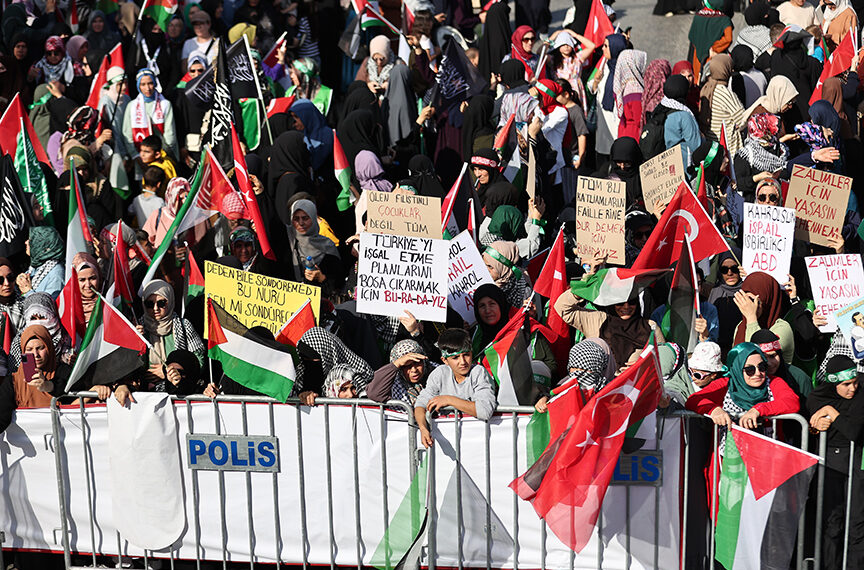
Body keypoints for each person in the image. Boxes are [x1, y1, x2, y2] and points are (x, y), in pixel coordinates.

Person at [808, 355, 864, 568]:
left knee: (857, 521)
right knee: (832, 520)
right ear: (833, 383)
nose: (852, 388)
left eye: (855, 382)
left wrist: (831, 412)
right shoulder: (818, 397)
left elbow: (853, 430)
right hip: (832, 459)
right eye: (846, 385)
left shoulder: (860, 393)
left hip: (856, 458)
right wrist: (816, 426)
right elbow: (812, 425)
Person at [686, 342, 799, 439]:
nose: (757, 373)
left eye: (762, 367)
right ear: (737, 369)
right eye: (749, 369)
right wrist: (713, 410)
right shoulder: (725, 384)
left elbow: (792, 402)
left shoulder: (774, 382)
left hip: (769, 456)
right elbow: (694, 400)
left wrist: (758, 410)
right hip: (729, 456)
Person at [414, 328, 498, 447]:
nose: (462, 362)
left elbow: (484, 410)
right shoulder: (440, 373)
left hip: (478, 442)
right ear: (445, 360)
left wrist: (448, 400)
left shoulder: (478, 372)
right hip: (447, 445)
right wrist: (423, 429)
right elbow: (420, 405)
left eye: (466, 355)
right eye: (455, 358)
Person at [0, 325, 71, 433]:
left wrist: (47, 386)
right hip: (31, 442)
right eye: (29, 349)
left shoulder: (62, 370)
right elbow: (2, 415)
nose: (35, 354)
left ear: (49, 347)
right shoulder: (14, 381)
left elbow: (68, 388)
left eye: (40, 348)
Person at [137, 280, 206, 388]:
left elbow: (199, 360)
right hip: (147, 394)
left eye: (161, 303)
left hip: (179, 391)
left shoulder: (183, 325)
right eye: (150, 304)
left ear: (170, 301)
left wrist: (169, 371)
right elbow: (129, 365)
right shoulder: (138, 328)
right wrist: (136, 342)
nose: (155, 309)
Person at [296, 327, 374, 404]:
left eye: (314, 358)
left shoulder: (360, 370)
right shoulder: (301, 374)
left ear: (327, 353)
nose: (310, 362)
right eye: (305, 358)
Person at [367, 339, 430, 406]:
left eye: (417, 363)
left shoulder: (434, 372)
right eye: (407, 366)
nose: (414, 370)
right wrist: (397, 364)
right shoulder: (392, 383)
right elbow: (374, 393)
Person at [687, 0, 734, 80]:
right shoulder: (724, 19)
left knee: (698, 80)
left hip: (697, 57)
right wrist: (714, 48)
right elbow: (728, 38)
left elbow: (692, 36)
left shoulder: (698, 15)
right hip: (714, 57)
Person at [19, 226, 65, 300]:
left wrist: (27, 291)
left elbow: (49, 304)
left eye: (32, 240)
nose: (26, 242)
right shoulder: (35, 268)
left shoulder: (56, 272)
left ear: (44, 245)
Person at [73, 253, 101, 325]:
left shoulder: (110, 301)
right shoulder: (69, 308)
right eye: (82, 280)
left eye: (92, 278)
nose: (88, 285)